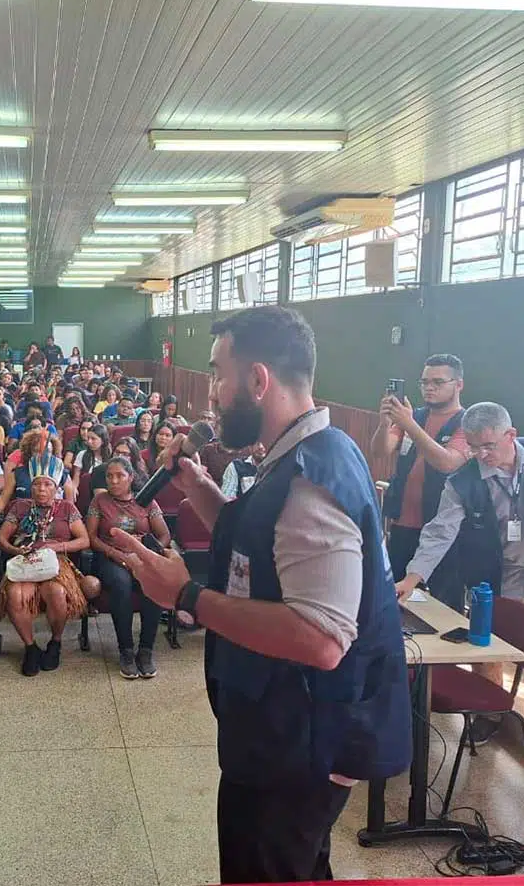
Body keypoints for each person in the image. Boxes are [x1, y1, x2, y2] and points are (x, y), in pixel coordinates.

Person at [112, 306, 411, 884]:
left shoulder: (310, 481)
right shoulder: (308, 453)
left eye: (217, 374)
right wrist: (197, 485)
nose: (211, 395)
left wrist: (187, 596)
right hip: (280, 732)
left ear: (257, 380)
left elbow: (322, 639)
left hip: (302, 744)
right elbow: (260, 542)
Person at [395, 401, 524, 768]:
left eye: (488, 446)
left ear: (511, 435)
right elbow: (440, 532)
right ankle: (489, 713)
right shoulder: (462, 481)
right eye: (473, 446)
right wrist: (412, 579)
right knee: (488, 642)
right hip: (495, 574)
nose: (480, 455)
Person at [372, 354, 469, 610]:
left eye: (438, 382)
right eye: (425, 382)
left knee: (443, 607)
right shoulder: (413, 415)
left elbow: (448, 462)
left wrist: (409, 425)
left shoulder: (466, 423)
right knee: (392, 599)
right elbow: (381, 450)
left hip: (443, 532)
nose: (429, 388)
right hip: (402, 526)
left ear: (458, 384)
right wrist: (384, 423)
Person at [0, 454, 99, 676]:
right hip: (25, 560)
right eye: (36, 484)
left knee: (56, 591)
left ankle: (55, 642)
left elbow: (84, 540)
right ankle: (30, 647)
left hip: (56, 561)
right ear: (30, 486)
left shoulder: (67, 508)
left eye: (47, 484)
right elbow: (2, 538)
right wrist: (15, 550)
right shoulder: (19, 506)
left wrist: (57, 546)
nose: (41, 489)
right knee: (14, 594)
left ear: (56, 487)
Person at [86, 456, 169, 678]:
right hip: (110, 557)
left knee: (153, 583)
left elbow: (164, 535)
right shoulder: (100, 501)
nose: (113, 481)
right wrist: (117, 555)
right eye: (109, 476)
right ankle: (126, 650)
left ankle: (146, 650)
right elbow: (92, 538)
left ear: (130, 477)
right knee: (121, 583)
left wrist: (149, 553)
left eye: (119, 476)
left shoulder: (146, 500)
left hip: (142, 557)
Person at [70, 423, 111, 502]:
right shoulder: (82, 454)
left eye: (93, 439)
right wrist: (74, 487)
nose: (89, 441)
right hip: (86, 492)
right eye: (88, 438)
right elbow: (76, 476)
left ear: (103, 441)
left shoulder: (111, 457)